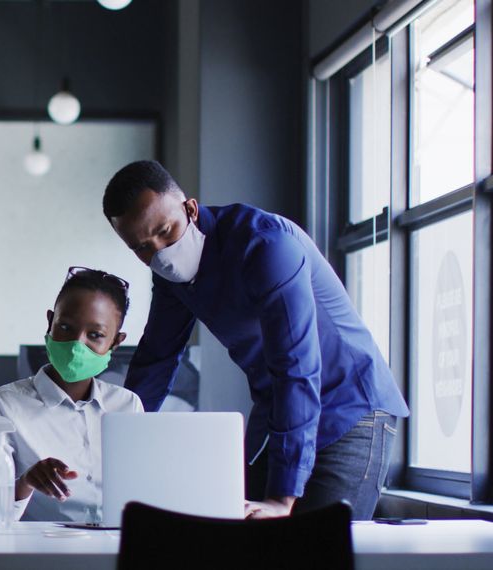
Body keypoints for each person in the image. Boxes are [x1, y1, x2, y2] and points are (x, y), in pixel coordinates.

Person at [103, 160, 409, 520]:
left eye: (165, 231)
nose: (159, 252)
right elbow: (156, 360)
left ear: (190, 209)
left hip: (350, 407)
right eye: (141, 247)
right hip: (279, 410)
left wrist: (282, 498)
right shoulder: (170, 276)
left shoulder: (266, 245)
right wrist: (117, 448)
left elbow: (296, 367)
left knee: (319, 546)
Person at [0, 267, 144, 522]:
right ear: (50, 322)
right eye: (65, 327)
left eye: (95, 335)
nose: (77, 344)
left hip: (117, 549)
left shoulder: (127, 405)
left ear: (116, 342)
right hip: (42, 554)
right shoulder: (3, 404)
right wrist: (26, 483)